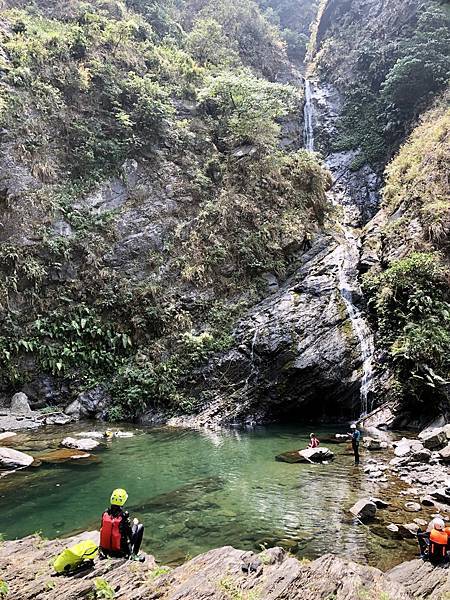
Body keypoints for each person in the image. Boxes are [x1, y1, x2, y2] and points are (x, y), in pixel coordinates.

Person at [99, 488, 145, 561]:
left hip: (106, 550)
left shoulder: (105, 514)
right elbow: (131, 535)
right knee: (140, 527)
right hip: (120, 552)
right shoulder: (123, 517)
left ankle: (104, 552)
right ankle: (134, 554)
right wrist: (135, 524)